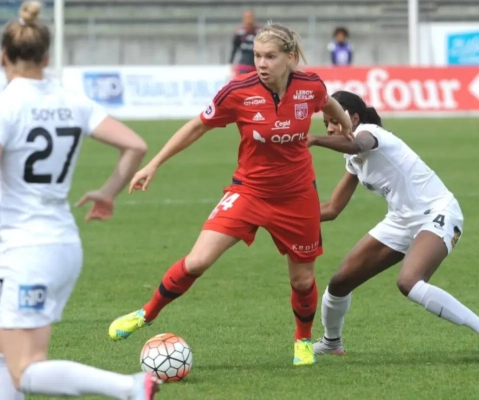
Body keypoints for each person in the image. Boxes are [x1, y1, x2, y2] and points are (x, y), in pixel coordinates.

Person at [108, 22, 353, 367]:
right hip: (249, 191)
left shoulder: (309, 86)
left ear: (290, 58)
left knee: (302, 281)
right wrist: (154, 164)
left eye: (270, 56)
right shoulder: (238, 90)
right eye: (257, 56)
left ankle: (302, 341)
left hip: (297, 195)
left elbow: (328, 103)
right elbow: (197, 126)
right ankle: (145, 314)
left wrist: (345, 123)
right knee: (197, 261)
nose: (261, 63)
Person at [0, 2, 159, 399]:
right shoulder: (72, 102)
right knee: (6, 354)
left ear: (3, 56)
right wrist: (107, 192)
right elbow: (135, 145)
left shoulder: (6, 106)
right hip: (59, 242)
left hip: (25, 248)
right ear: (47, 58)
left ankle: (130, 388)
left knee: (24, 368)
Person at [306, 91, 479, 365]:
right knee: (340, 282)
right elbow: (332, 208)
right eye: (326, 124)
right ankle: (332, 342)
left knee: (409, 282)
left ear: (354, 119)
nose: (330, 128)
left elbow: (357, 144)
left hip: (438, 212)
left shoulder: (370, 133)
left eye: (335, 121)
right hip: (400, 221)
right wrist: (280, 217)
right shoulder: (353, 159)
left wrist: (314, 139)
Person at [229, 10, 260, 77]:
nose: (249, 20)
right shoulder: (239, 33)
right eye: (247, 17)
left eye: (250, 17)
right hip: (243, 66)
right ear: (244, 19)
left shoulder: (259, 32)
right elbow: (234, 49)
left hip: (256, 66)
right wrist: (231, 63)